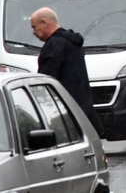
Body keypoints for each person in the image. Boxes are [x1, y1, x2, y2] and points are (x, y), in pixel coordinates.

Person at [30, 7, 104, 137]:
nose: (33, 32)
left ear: (44, 23)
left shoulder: (54, 45)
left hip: (64, 114)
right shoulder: (73, 42)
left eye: (34, 27)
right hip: (83, 109)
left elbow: (46, 82)